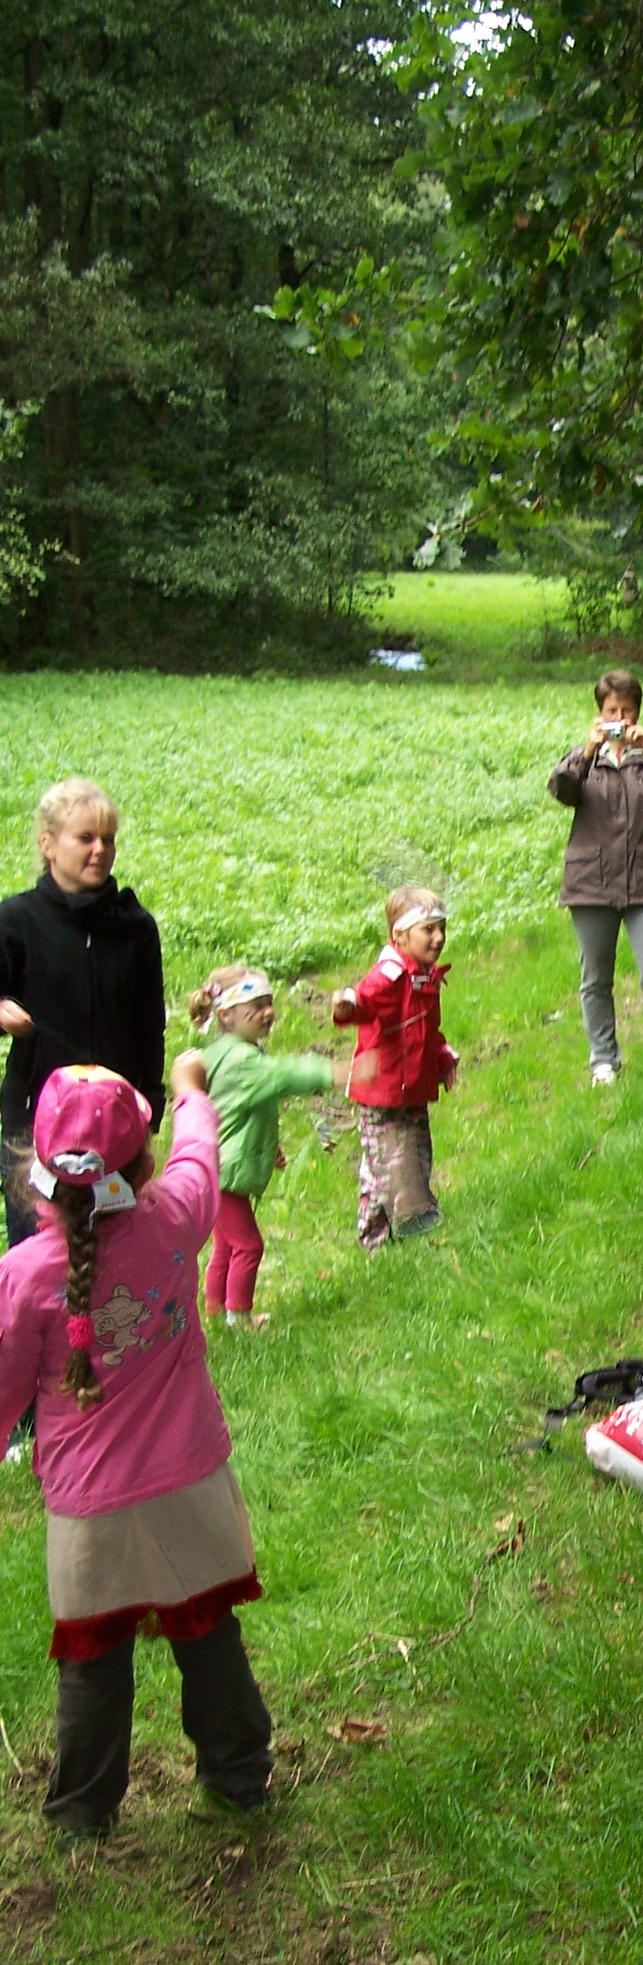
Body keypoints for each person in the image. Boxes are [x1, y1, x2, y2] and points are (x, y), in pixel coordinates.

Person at [0, 1059, 275, 1839]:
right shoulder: (176, 1218)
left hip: (90, 1513)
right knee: (209, 1636)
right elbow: (200, 1156)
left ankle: (81, 1813)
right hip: (190, 1485)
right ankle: (239, 1778)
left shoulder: (21, 1276)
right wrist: (190, 1089)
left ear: (37, 1167)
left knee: (92, 1665)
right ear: (141, 1165)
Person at [0, 777, 165, 1254]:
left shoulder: (135, 927)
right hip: (36, 1123)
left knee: (116, 1255)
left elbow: (149, 1023)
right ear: (48, 845)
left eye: (108, 839)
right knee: (40, 1255)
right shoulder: (16, 921)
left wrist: (150, 1104)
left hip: (115, 1123)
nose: (100, 851)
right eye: (86, 838)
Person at [549, 668, 643, 1087]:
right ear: (600, 714)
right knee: (596, 977)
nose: (619, 718)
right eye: (611, 710)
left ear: (637, 714)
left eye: (626, 710)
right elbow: (561, 790)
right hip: (591, 883)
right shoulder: (585, 761)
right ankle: (603, 1060)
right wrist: (586, 751)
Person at [189, 965, 350, 1325]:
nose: (268, 1012)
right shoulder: (241, 1060)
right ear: (226, 1015)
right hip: (224, 1173)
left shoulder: (228, 1052)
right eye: (257, 1005)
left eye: (269, 1003)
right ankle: (238, 1319)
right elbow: (280, 1076)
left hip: (217, 1166)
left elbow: (240, 1113)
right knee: (249, 1245)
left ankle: (215, 1312)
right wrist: (330, 1072)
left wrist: (267, 1146)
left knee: (226, 1245)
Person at [332, 888, 458, 1249]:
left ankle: (409, 1225)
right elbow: (364, 1003)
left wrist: (443, 1058)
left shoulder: (424, 975)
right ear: (400, 935)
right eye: (428, 930)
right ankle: (374, 1239)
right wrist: (346, 1006)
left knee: (416, 1155)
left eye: (442, 928)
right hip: (381, 1091)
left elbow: (427, 1029)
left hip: (412, 1087)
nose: (439, 938)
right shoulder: (389, 976)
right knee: (383, 1167)